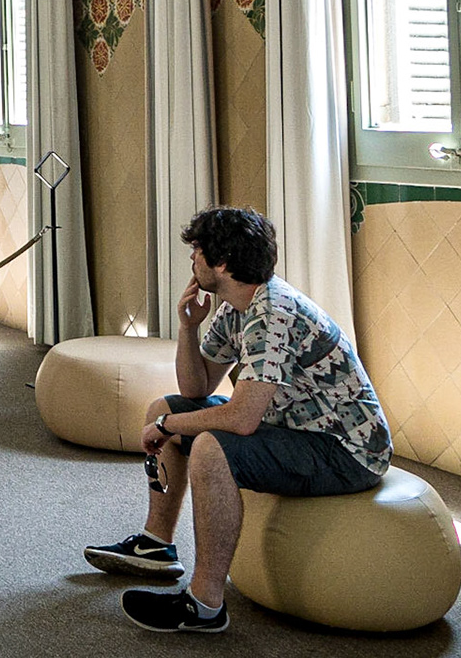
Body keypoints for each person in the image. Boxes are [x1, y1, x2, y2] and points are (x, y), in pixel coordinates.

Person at [84, 206, 390, 634]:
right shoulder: (236, 305)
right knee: (164, 407)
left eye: (197, 251)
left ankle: (205, 604)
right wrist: (188, 328)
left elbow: (243, 419)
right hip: (295, 430)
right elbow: (194, 388)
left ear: (222, 263)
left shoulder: (272, 314)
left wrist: (170, 429)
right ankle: (155, 545)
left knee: (210, 445)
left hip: (346, 451)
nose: (192, 260)